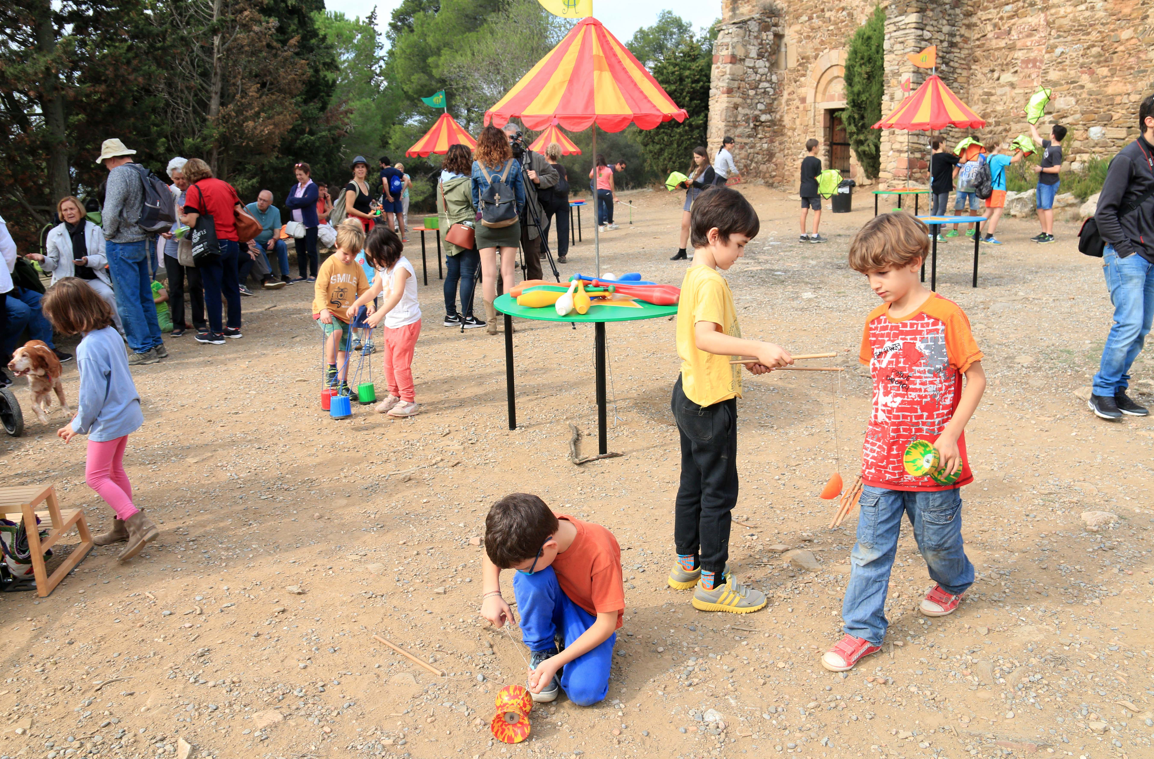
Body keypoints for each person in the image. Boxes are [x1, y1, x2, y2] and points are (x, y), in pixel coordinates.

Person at [821, 212, 986, 672]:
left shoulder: (945, 315)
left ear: (914, 261)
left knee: (936, 542)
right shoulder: (875, 323)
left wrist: (950, 436)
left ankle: (954, 583)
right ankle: (861, 630)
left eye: (882, 272)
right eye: (868, 275)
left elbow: (975, 379)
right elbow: (884, 389)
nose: (874, 284)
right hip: (880, 462)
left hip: (933, 460)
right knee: (870, 549)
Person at [669, 186, 791, 613]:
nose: (740, 254)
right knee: (718, 492)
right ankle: (713, 583)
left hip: (689, 393)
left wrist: (745, 358)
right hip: (711, 404)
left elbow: (708, 344)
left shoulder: (692, 273)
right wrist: (757, 347)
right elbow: (706, 336)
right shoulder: (713, 281)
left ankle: (687, 563)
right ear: (716, 235)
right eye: (739, 245)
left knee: (693, 483)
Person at [44, 277, 159, 562]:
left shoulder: (87, 347)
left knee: (95, 476)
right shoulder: (109, 332)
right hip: (124, 410)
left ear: (69, 315)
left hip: (108, 419)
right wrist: (84, 415)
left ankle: (138, 524)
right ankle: (122, 527)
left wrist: (79, 424)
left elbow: (92, 394)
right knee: (115, 470)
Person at [481, 493, 624, 706]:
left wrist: (557, 663)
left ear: (549, 547)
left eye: (520, 567)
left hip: (590, 617)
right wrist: (491, 593)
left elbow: (606, 623)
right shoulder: (531, 527)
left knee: (584, 691)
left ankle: (568, 646)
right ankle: (543, 648)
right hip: (556, 598)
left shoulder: (599, 552)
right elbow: (492, 548)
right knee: (531, 580)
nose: (519, 571)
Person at [1088, 93, 1154, 421]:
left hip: (1150, 257)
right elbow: (1105, 212)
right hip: (1127, 254)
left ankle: (1117, 388)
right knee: (1128, 323)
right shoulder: (1129, 157)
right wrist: (1125, 249)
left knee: (1141, 327)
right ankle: (1101, 392)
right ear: (1149, 120)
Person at [96, 138, 166, 364]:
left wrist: (108, 234)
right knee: (145, 295)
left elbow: (110, 211)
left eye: (106, 162)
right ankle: (156, 344)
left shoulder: (118, 174)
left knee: (127, 299)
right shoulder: (142, 171)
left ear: (112, 159)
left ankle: (142, 348)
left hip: (123, 242)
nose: (106, 166)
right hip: (146, 240)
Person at [348, 226, 422, 418]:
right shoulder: (384, 268)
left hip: (406, 323)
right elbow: (373, 291)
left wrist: (378, 314)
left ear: (387, 250)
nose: (373, 262)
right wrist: (357, 303)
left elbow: (397, 294)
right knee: (388, 363)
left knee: (400, 364)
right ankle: (394, 395)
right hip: (392, 323)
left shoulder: (401, 268)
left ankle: (408, 400)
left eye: (375, 256)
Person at [29, 195, 125, 337]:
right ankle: (87, 338)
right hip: (68, 282)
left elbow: (104, 258)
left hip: (92, 278)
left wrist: (87, 260)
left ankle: (124, 333)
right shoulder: (54, 234)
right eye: (65, 210)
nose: (69, 213)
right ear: (61, 214)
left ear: (79, 210)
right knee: (75, 300)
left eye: (72, 209)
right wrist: (42, 259)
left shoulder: (95, 229)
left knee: (108, 294)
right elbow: (52, 264)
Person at [179, 157, 245, 345]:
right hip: (232, 240)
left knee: (212, 288)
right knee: (231, 285)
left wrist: (181, 217)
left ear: (190, 174)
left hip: (212, 242)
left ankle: (215, 332)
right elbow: (238, 210)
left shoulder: (195, 189)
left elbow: (192, 221)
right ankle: (234, 327)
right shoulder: (225, 185)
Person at [472, 125, 526, 336]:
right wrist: (514, 214)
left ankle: (491, 322)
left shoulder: (476, 166)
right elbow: (520, 197)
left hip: (484, 224)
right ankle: (508, 322)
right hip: (509, 223)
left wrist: (481, 214)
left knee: (488, 274)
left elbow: (474, 198)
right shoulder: (513, 165)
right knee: (508, 272)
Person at [312, 221, 370, 397]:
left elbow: (365, 290)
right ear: (336, 245)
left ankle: (343, 385)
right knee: (335, 333)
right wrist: (323, 310)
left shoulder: (356, 268)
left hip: (346, 315)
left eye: (353, 255)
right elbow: (320, 289)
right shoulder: (329, 264)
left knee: (344, 351)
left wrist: (370, 304)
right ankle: (331, 371)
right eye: (345, 253)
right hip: (327, 311)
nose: (348, 258)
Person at [437, 144, 485, 329]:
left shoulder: (441, 182)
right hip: (466, 231)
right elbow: (476, 206)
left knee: (452, 274)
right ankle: (468, 316)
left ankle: (451, 314)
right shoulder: (466, 182)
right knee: (467, 274)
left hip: (448, 231)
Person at [504, 123, 558, 282]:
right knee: (506, 265)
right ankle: (504, 301)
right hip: (507, 218)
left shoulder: (535, 158)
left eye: (514, 137)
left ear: (520, 137)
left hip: (531, 218)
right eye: (508, 138)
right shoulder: (499, 160)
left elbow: (554, 176)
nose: (512, 142)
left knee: (533, 262)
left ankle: (535, 297)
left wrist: (538, 179)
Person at [161, 157, 205, 336]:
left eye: (182, 178)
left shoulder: (196, 191)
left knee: (195, 283)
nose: (180, 182)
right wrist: (163, 231)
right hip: (171, 245)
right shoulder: (167, 194)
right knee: (175, 284)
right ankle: (178, 323)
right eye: (176, 179)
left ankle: (199, 321)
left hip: (191, 243)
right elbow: (160, 217)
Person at [670, 146, 717, 261]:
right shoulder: (694, 169)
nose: (695, 159)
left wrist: (694, 183)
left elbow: (708, 186)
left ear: (704, 157)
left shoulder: (709, 170)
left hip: (701, 200)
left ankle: (701, 252)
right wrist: (681, 183)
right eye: (694, 157)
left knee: (699, 227)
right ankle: (682, 251)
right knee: (685, 225)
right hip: (690, 199)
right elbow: (689, 184)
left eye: (698, 157)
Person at [980, 140, 1024, 245]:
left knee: (988, 211)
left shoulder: (988, 158)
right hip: (998, 188)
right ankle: (989, 236)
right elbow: (1016, 159)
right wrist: (1023, 149)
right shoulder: (999, 157)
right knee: (997, 212)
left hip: (989, 188)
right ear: (996, 145)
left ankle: (977, 233)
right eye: (1000, 144)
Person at [1029, 121, 1067, 243]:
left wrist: (1042, 169)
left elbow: (1057, 169)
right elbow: (1036, 138)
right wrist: (1031, 123)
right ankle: (1044, 232)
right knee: (1040, 208)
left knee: (1047, 208)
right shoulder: (1050, 145)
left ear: (1053, 135)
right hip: (1043, 181)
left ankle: (1050, 235)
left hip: (1049, 183)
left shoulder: (1056, 150)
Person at [246, 190, 290, 287]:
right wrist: (247, 239)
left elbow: (277, 232)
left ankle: (285, 274)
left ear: (270, 203)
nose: (261, 202)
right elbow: (242, 227)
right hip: (254, 239)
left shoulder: (275, 211)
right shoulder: (249, 208)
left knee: (282, 245)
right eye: (259, 199)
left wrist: (273, 240)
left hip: (269, 238)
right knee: (258, 249)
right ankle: (269, 275)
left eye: (264, 201)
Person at [285, 162, 320, 282]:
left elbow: (308, 201)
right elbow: (288, 202)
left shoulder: (312, 187)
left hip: (309, 223)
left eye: (301, 175)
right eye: (297, 175)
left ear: (307, 174)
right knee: (300, 250)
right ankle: (302, 273)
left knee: (311, 250)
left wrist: (295, 200)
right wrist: (299, 200)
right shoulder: (295, 187)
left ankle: (314, 273)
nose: (299, 177)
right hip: (297, 224)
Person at [947, 138, 984, 238]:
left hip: (975, 187)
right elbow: (956, 170)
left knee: (974, 208)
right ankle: (955, 229)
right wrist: (951, 181)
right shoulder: (964, 155)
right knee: (958, 207)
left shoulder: (981, 157)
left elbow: (984, 170)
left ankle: (970, 228)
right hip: (962, 186)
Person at [541, 142, 571, 264]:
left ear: (547, 155)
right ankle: (562, 254)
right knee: (563, 227)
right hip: (563, 200)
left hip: (549, 200)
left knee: (544, 226)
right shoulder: (562, 168)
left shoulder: (544, 168)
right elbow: (566, 182)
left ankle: (542, 251)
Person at [929, 139, 960, 239]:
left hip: (935, 185)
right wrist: (966, 152)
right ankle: (937, 233)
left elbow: (929, 174)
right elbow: (962, 161)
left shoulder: (933, 158)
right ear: (940, 143)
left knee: (935, 209)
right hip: (943, 187)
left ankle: (931, 232)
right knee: (941, 209)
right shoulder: (946, 156)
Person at [799, 138, 824, 243]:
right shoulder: (817, 161)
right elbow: (818, 177)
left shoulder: (804, 161)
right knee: (817, 211)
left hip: (803, 188)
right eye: (818, 146)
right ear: (814, 148)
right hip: (813, 189)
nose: (819, 148)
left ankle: (803, 234)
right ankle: (814, 234)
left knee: (804, 211)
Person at [345, 156, 379, 232]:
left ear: (366, 169)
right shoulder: (351, 186)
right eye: (357, 167)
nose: (360, 169)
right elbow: (349, 208)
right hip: (356, 225)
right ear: (354, 170)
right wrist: (366, 215)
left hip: (368, 222)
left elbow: (364, 204)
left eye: (362, 167)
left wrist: (375, 209)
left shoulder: (366, 185)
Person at [379, 156, 406, 241]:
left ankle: (393, 238)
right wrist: (402, 192)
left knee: (390, 217)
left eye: (380, 164)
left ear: (383, 164)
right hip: (397, 196)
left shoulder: (383, 172)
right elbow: (407, 179)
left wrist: (388, 195)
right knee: (400, 216)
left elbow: (385, 183)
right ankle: (404, 237)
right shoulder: (397, 171)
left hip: (388, 197)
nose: (380, 166)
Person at [588, 154, 617, 231]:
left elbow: (590, 176)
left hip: (597, 191)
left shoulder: (595, 169)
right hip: (606, 191)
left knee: (599, 208)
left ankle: (601, 226)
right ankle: (610, 224)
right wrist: (613, 192)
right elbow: (611, 182)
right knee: (609, 208)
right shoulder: (608, 170)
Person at [395, 163, 412, 233]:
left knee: (404, 212)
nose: (400, 169)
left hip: (405, 195)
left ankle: (404, 226)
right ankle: (396, 226)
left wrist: (407, 180)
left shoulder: (406, 175)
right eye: (398, 168)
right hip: (396, 196)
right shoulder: (394, 176)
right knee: (395, 212)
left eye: (401, 168)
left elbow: (411, 186)